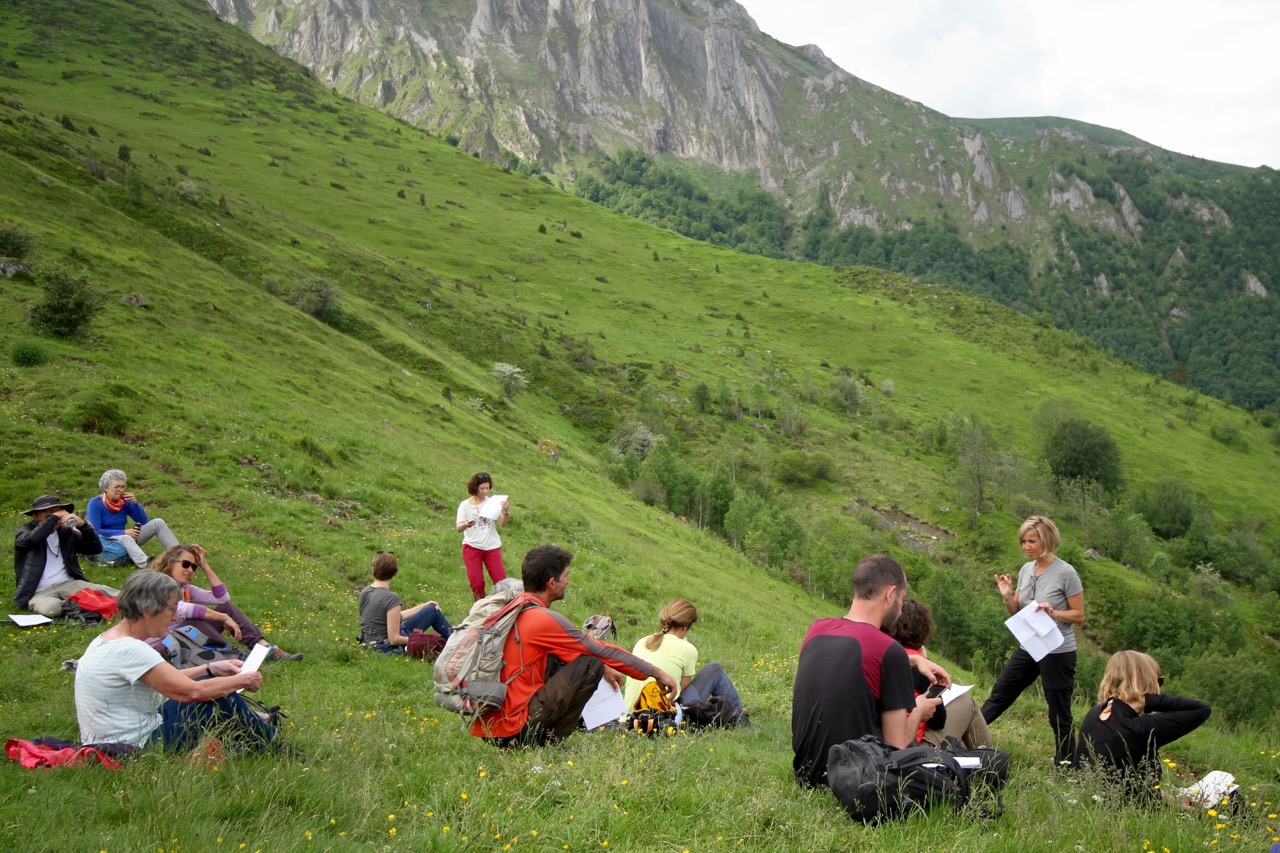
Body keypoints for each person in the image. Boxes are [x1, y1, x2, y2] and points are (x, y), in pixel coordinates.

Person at [471, 544, 678, 747]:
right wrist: (656, 673)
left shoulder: (513, 609)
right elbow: (600, 649)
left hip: (489, 724)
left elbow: (566, 650)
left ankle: (536, 736)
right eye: (566, 576)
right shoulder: (542, 619)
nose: (568, 582)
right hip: (513, 728)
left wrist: (607, 667)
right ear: (552, 583)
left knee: (583, 661)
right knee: (591, 664)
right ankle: (549, 741)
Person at [74, 570, 281, 752]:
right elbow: (192, 692)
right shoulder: (130, 649)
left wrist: (210, 668)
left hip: (114, 738)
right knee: (219, 697)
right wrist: (243, 681)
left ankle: (252, 736)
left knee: (208, 686)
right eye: (172, 609)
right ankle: (271, 744)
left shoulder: (110, 640)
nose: (175, 617)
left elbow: (166, 679)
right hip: (133, 747)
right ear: (147, 611)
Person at [792, 554, 949, 788]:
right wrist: (918, 712)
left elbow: (854, 653)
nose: (899, 609)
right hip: (857, 779)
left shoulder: (817, 629)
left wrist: (913, 661)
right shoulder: (889, 650)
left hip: (807, 774)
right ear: (890, 594)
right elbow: (897, 746)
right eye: (901, 599)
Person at [981, 515, 1085, 765]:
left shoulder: (1066, 572)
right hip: (1030, 645)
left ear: (1047, 540)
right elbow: (1016, 611)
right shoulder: (1026, 570)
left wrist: (1054, 612)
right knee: (1000, 694)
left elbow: (1079, 615)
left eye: (1031, 541)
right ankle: (961, 736)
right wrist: (1006, 595)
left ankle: (1066, 763)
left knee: (1058, 712)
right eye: (1023, 542)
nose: (1026, 547)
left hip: (1058, 650)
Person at [1074, 650, 1211, 805]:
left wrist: (1175, 801)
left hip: (1098, 800)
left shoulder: (1094, 714)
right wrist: (1147, 700)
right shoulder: (1138, 728)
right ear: (1147, 682)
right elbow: (1202, 710)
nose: (1160, 687)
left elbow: (1125, 784)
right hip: (1132, 810)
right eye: (1159, 680)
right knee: (1227, 795)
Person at [150, 544, 302, 662]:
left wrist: (205, 566)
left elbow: (222, 598)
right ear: (170, 563)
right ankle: (240, 657)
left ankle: (266, 649)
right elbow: (182, 609)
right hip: (160, 649)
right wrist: (222, 618)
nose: (190, 570)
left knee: (226, 608)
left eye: (194, 567)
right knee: (194, 622)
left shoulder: (185, 589)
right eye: (185, 564)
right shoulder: (158, 584)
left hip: (180, 642)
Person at [887, 599, 995, 749]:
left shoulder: (883, 655)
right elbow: (938, 721)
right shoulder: (922, 667)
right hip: (914, 747)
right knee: (968, 704)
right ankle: (988, 761)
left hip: (884, 741)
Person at [622, 598, 746, 721]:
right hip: (663, 717)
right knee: (715, 669)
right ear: (685, 627)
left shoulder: (643, 641)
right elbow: (681, 690)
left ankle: (735, 713)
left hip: (631, 714)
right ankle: (740, 718)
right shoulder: (687, 649)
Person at [13, 494, 116, 617]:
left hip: (67, 583)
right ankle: (82, 603)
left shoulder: (65, 533)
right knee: (51, 609)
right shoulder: (24, 532)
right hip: (39, 591)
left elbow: (94, 548)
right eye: (48, 513)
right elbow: (33, 539)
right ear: (35, 516)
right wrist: (53, 518)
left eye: (58, 512)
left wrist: (83, 526)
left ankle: (136, 600)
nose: (55, 518)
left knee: (106, 591)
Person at [358, 551, 454, 653]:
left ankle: (454, 642)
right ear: (395, 573)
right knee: (433, 613)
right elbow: (394, 639)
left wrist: (424, 606)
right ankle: (458, 643)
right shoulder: (391, 597)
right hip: (386, 647)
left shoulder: (365, 592)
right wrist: (425, 640)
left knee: (430, 609)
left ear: (373, 569)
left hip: (369, 644)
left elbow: (391, 618)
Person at [85, 469, 178, 568]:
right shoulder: (95, 503)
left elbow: (143, 521)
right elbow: (95, 531)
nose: (121, 490)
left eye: (123, 487)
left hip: (126, 538)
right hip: (107, 541)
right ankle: (148, 565)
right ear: (105, 488)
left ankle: (179, 557)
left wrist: (135, 504)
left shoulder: (124, 501)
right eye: (117, 487)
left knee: (158, 523)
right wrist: (123, 532)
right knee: (127, 538)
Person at [455, 472, 510, 600]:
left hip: (492, 547)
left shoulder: (492, 502)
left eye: (487, 488)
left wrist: (506, 512)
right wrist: (466, 524)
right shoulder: (465, 505)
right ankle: (480, 610)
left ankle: (504, 609)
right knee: (477, 583)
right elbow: (458, 527)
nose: (485, 491)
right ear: (475, 487)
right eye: (482, 488)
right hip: (472, 547)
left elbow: (502, 523)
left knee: (501, 582)